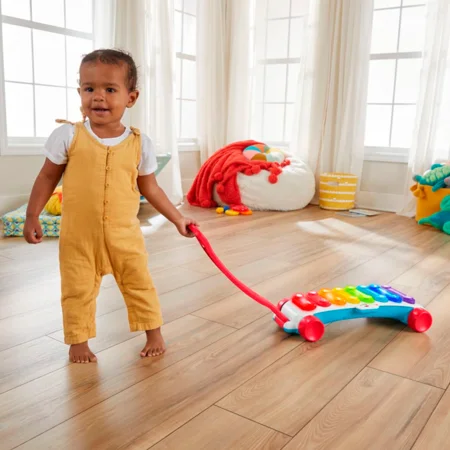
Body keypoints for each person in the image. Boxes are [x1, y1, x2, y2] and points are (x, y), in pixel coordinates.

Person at [24, 49, 198, 363]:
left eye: (110, 89)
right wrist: (32, 214)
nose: (99, 97)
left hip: (125, 236)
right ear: (80, 94)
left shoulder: (140, 143)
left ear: (131, 98)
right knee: (77, 289)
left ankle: (153, 331)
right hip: (79, 238)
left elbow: (151, 188)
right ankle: (78, 341)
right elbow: (47, 176)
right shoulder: (68, 136)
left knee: (139, 283)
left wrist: (177, 218)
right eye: (89, 89)